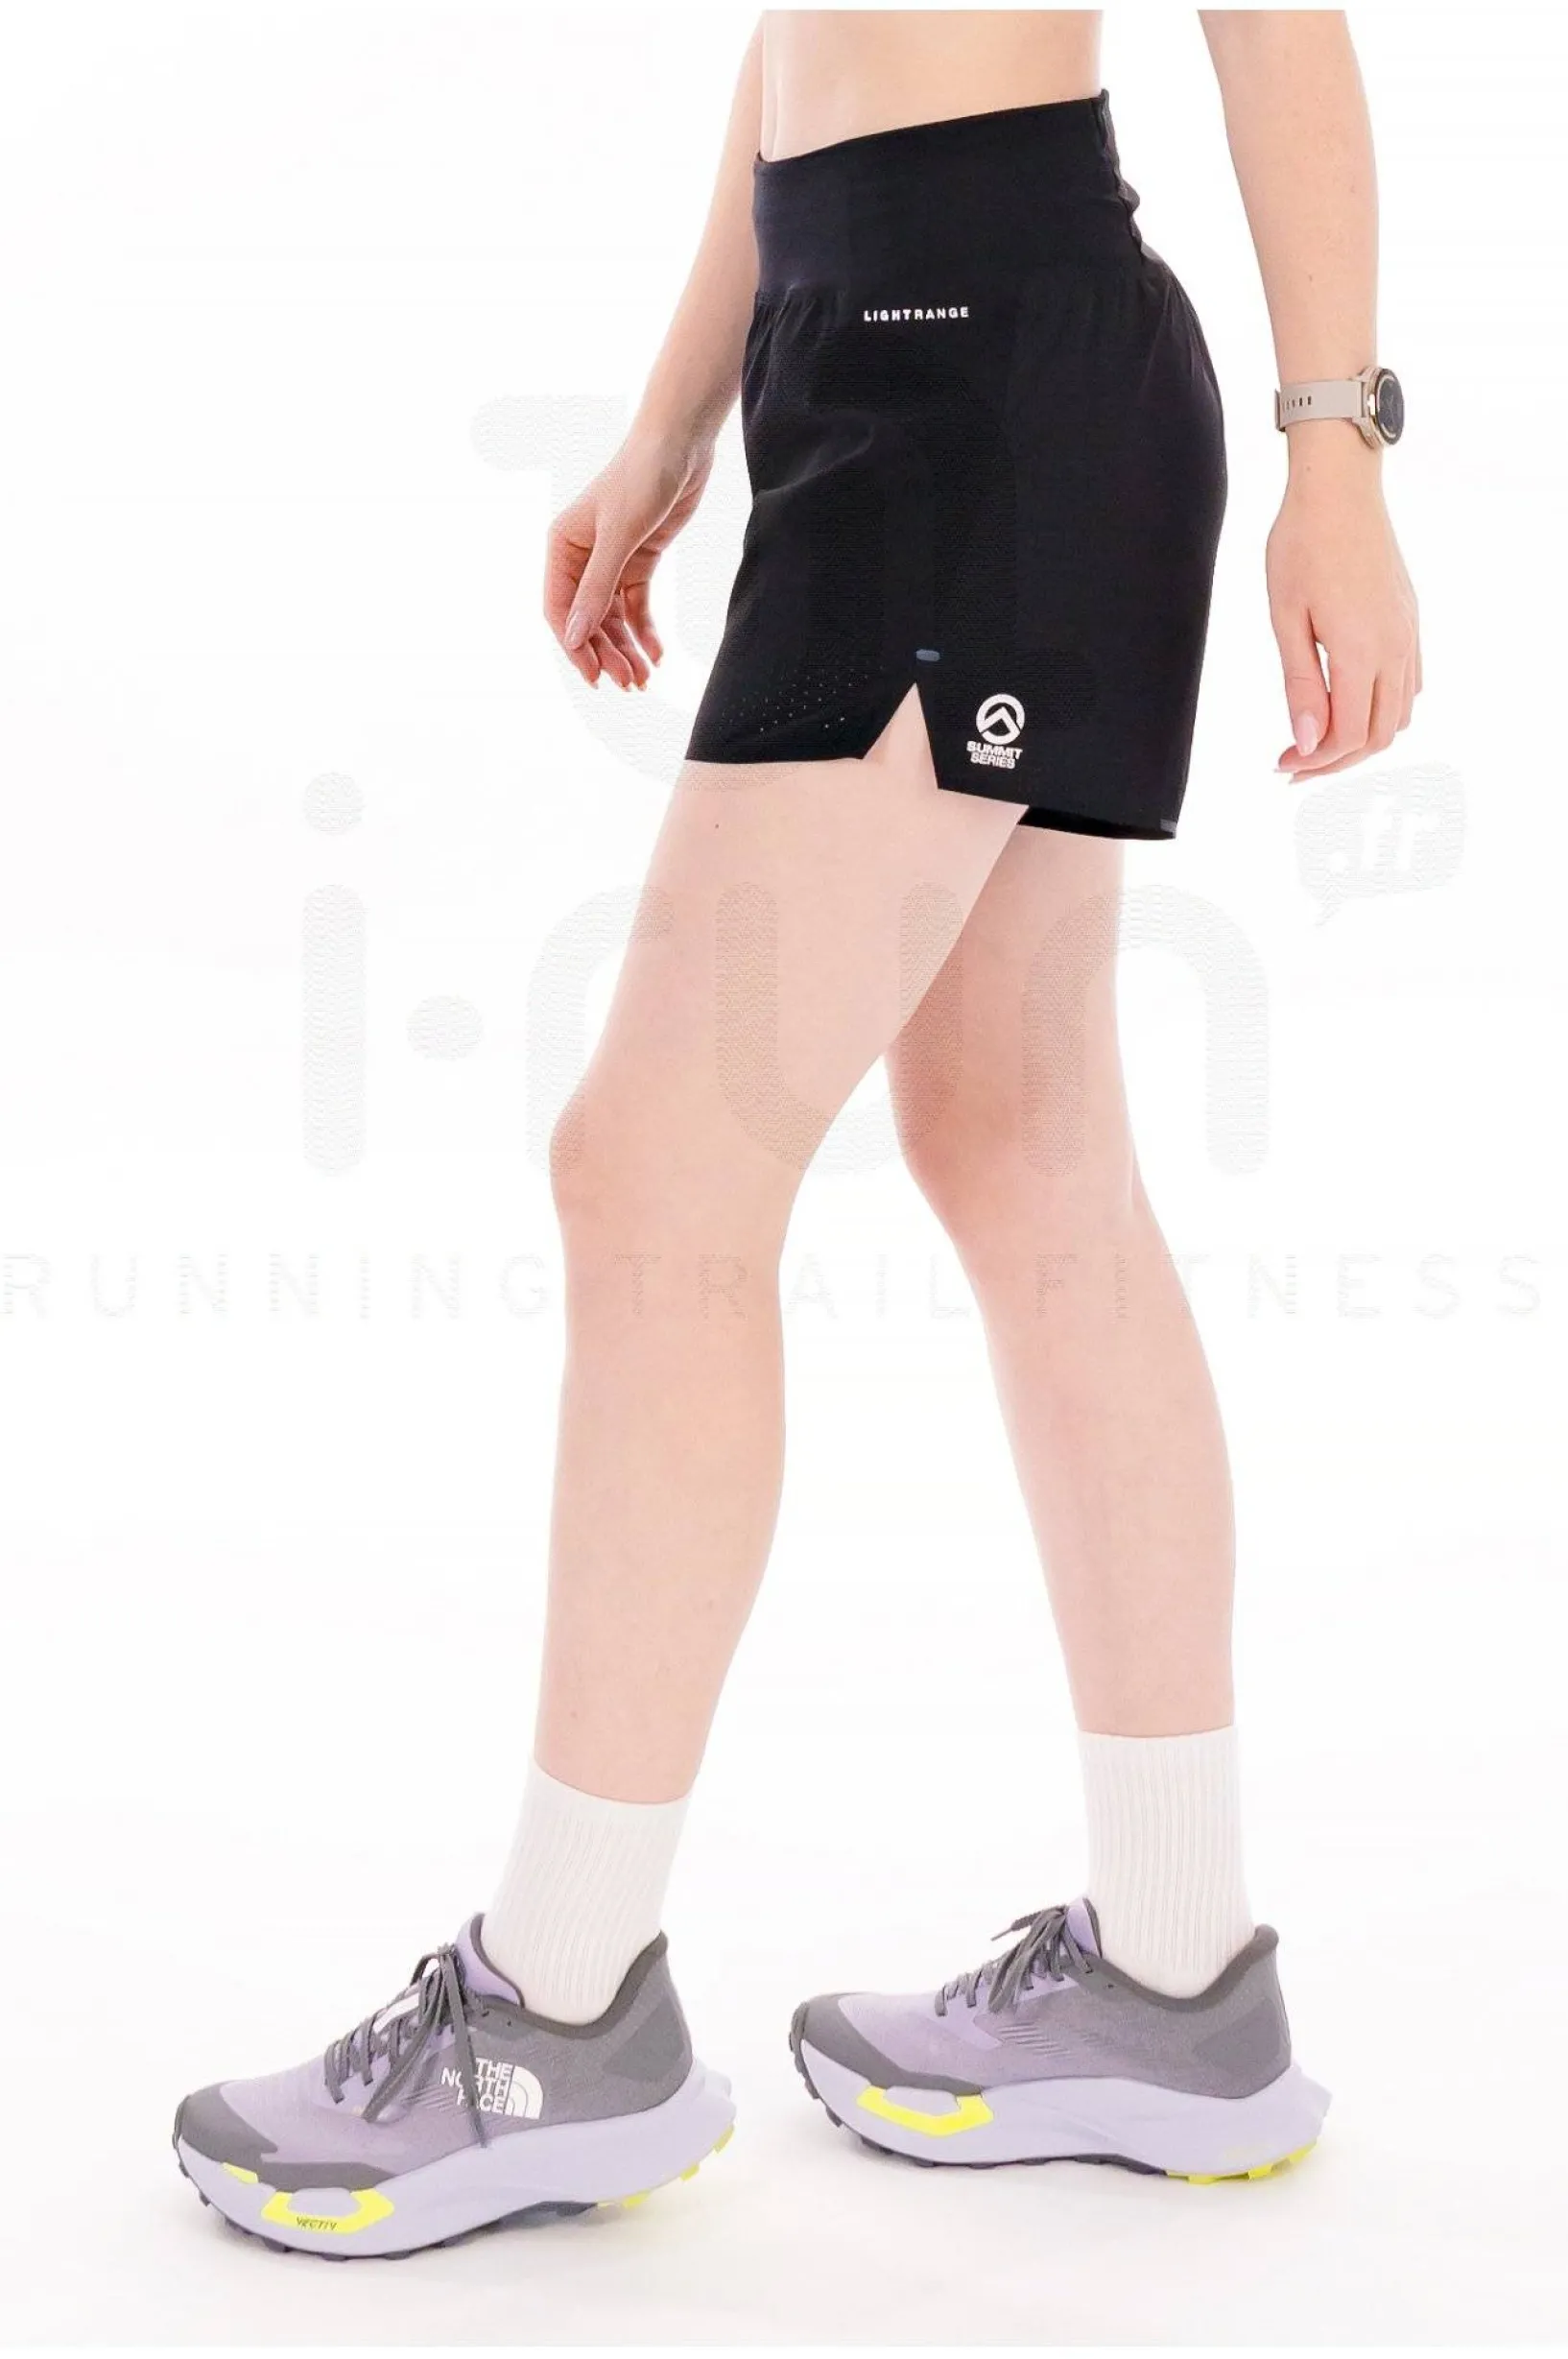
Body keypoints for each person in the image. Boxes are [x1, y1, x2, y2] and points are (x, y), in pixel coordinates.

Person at [174, 11, 1418, 2254]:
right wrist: (673, 423)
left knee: (656, 1164)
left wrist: (1340, 451)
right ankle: (1175, 1971)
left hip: (978, 366)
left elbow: (1277, 15)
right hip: (887, 345)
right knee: (1025, 1155)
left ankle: (553, 2004)